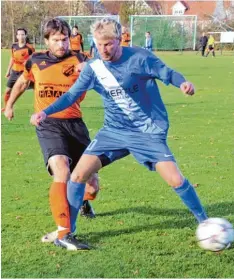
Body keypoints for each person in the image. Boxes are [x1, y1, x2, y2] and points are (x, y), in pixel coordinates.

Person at [30, 18, 208, 249]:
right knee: (77, 176)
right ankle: (67, 233)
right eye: (99, 44)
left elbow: (168, 73)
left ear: (119, 39)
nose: (103, 50)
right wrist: (46, 112)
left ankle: (205, 222)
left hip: (146, 132)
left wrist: (183, 83)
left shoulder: (140, 58)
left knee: (175, 179)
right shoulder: (94, 68)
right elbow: (71, 96)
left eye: (108, 44)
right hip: (113, 132)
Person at [4, 18, 100, 251]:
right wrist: (9, 105)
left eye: (65, 39)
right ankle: (64, 231)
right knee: (61, 168)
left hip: (75, 124)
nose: (61, 44)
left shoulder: (80, 60)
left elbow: (105, 71)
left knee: (92, 184)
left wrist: (90, 68)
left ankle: (85, 202)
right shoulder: (35, 61)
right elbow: (21, 83)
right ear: (46, 41)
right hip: (48, 124)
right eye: (56, 40)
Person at [2, 28, 35, 112]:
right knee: (7, 92)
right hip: (14, 72)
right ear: (17, 36)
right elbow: (12, 58)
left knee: (32, 88)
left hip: (24, 73)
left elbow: (34, 60)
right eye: (19, 34)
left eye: (22, 34)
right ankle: (7, 108)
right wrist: (8, 71)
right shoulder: (14, 46)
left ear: (25, 35)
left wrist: (28, 63)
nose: (21, 36)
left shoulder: (30, 48)